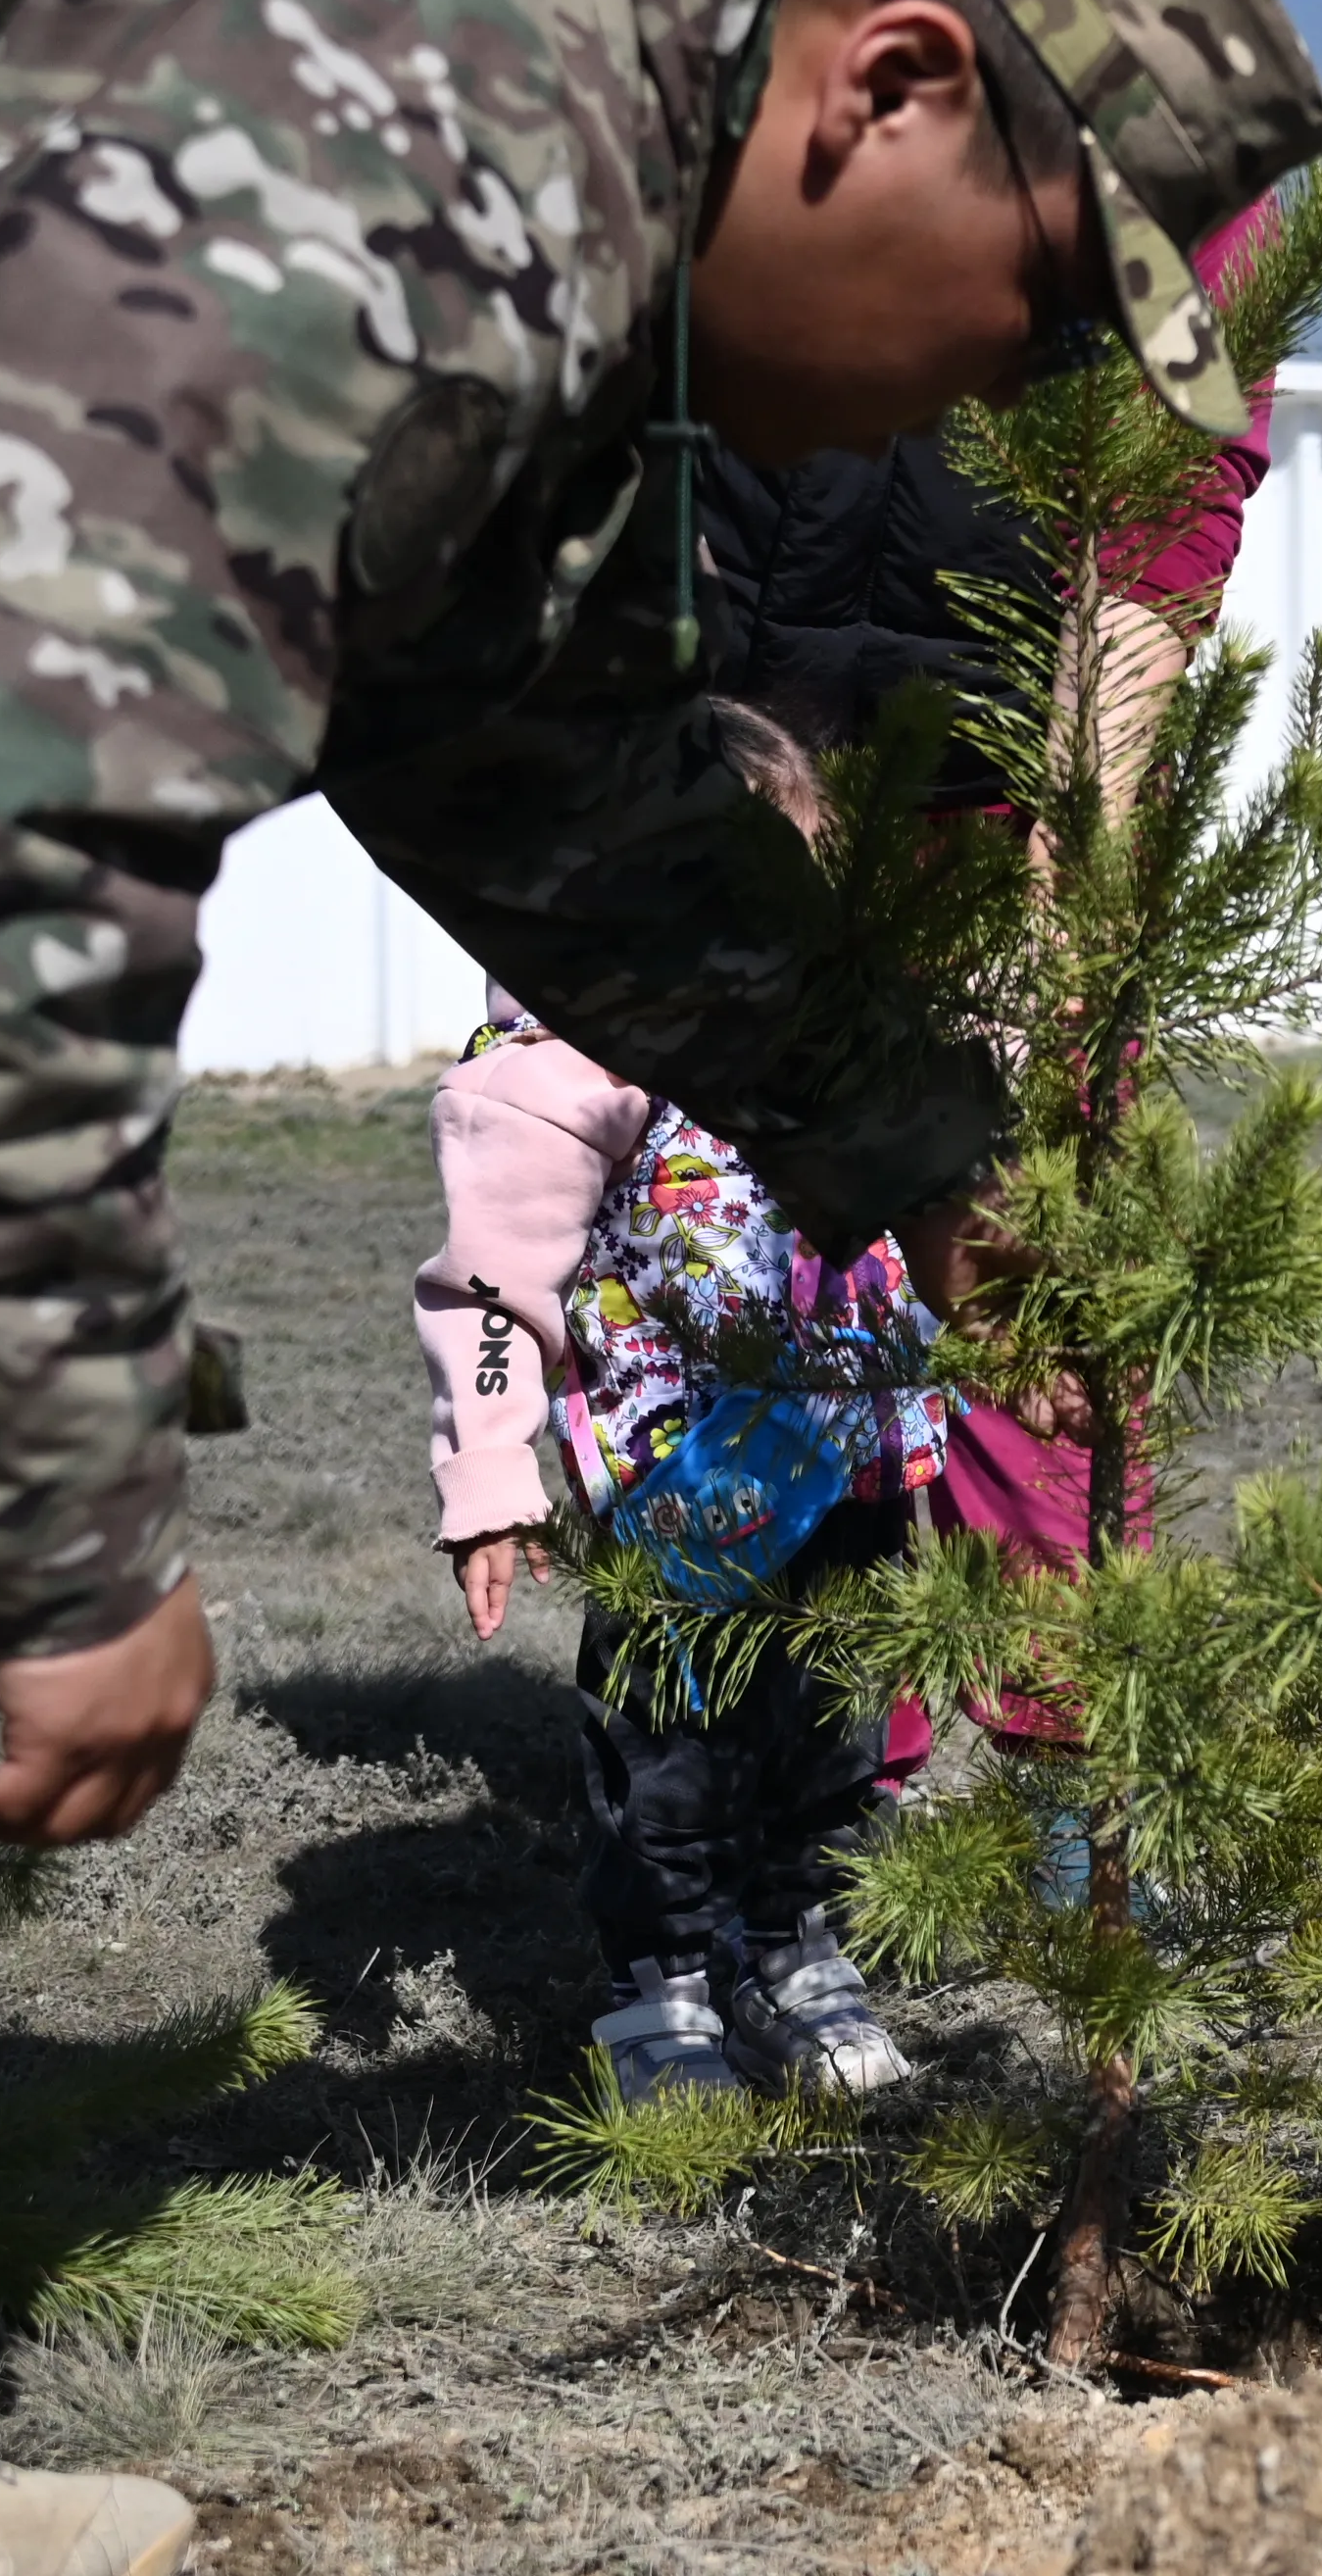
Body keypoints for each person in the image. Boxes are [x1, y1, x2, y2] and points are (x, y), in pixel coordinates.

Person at [0, 0, 1322, 2564]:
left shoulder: (565, 116)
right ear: (892, 82)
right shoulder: (413, 88)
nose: (1009, 408)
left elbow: (538, 762)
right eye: (1042, 308)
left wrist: (923, 1160)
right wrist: (62, 1548)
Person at [698, 0, 1274, 1622]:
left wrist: (1072, 905)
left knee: (1022, 1292)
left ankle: (1049, 1766)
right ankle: (785, 1788)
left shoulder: (1162, 115)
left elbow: (1162, 538)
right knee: (727, 1289)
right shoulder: (750, 42)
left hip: (992, 807)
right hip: (735, 778)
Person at [416, 712, 936, 2108]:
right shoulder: (564, 1063)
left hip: (853, 1461)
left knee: (832, 1729)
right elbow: (486, 1290)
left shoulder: (841, 1038)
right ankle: (669, 1986)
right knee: (673, 1739)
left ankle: (796, 1942)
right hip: (681, 1480)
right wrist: (488, 1481)